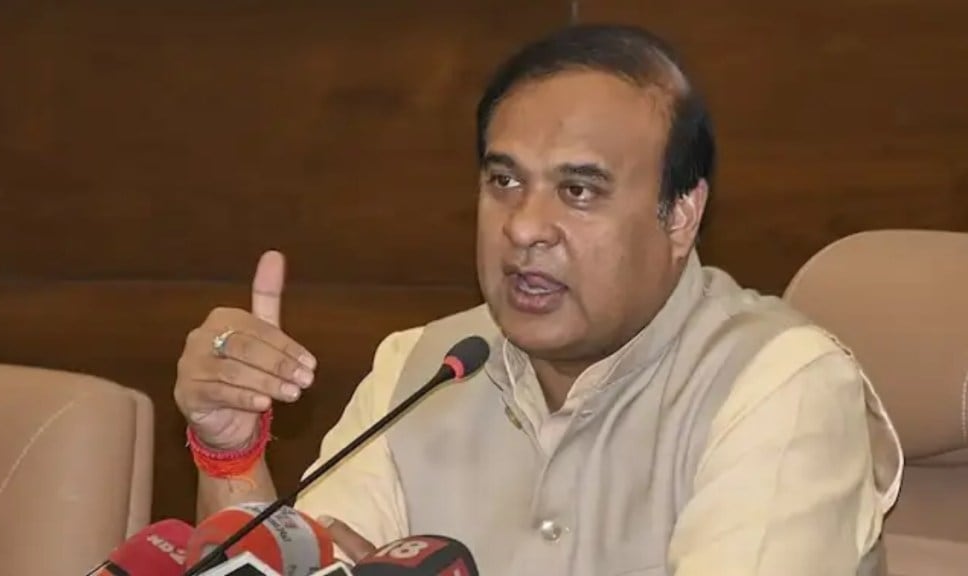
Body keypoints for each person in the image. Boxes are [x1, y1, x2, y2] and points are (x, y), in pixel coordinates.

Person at [173, 24, 903, 575]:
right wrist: (232, 454)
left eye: (578, 190)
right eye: (505, 181)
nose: (524, 226)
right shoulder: (422, 369)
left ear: (680, 215)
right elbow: (293, 561)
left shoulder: (778, 384)